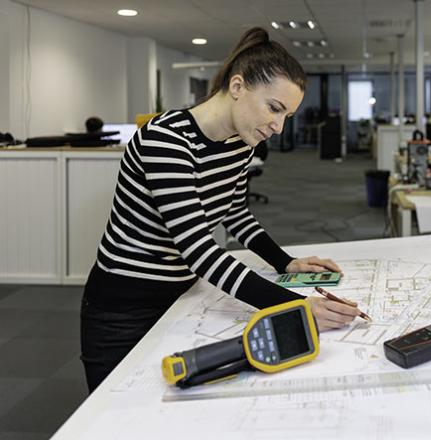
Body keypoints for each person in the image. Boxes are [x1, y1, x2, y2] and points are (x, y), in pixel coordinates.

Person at [80, 27, 360, 392]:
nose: (278, 127)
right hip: (122, 308)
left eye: (287, 115)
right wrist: (295, 305)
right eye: (274, 108)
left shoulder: (240, 142)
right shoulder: (166, 139)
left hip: (181, 295)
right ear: (238, 86)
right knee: (115, 414)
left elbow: (235, 213)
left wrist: (284, 262)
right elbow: (197, 249)